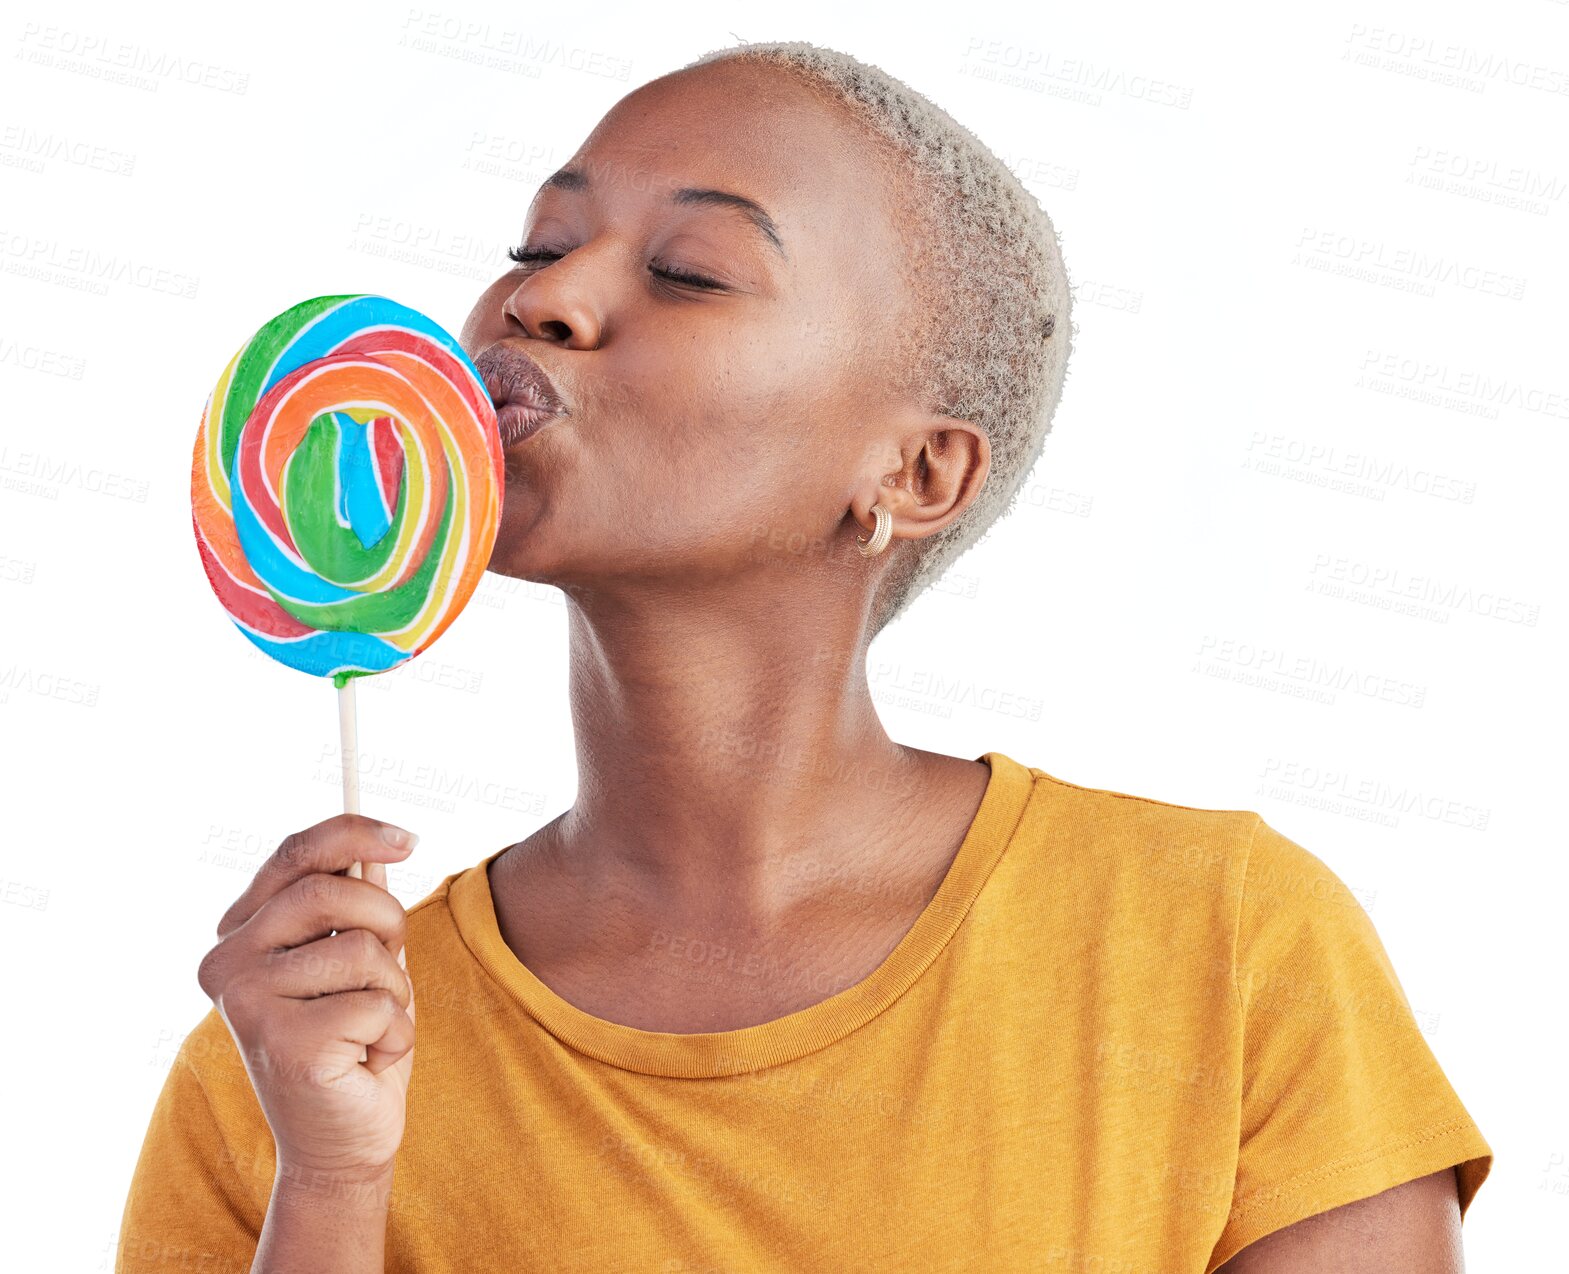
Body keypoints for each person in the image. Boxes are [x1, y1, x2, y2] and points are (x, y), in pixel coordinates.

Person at [118, 40, 1491, 1272]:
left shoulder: (1226, 945)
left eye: (687, 271)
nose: (539, 300)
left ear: (915, 471)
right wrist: (337, 1184)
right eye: (539, 245)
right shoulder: (289, 1050)